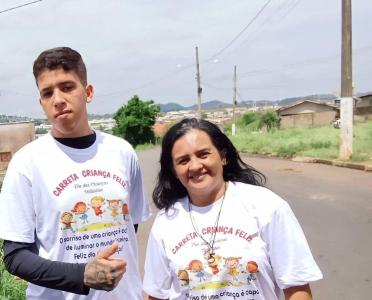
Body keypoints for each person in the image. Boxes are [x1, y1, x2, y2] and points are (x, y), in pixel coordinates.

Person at [0, 47, 151, 299]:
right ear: (41, 103)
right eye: (47, 93)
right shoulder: (27, 163)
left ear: (88, 92)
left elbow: (128, 227)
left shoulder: (122, 152)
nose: (57, 99)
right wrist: (81, 275)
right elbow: (15, 257)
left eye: (67, 87)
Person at [143, 118, 322, 300]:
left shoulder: (266, 206)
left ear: (223, 156)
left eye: (203, 154)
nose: (195, 166)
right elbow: (156, 295)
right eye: (183, 160)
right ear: (173, 170)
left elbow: (296, 288)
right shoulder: (166, 221)